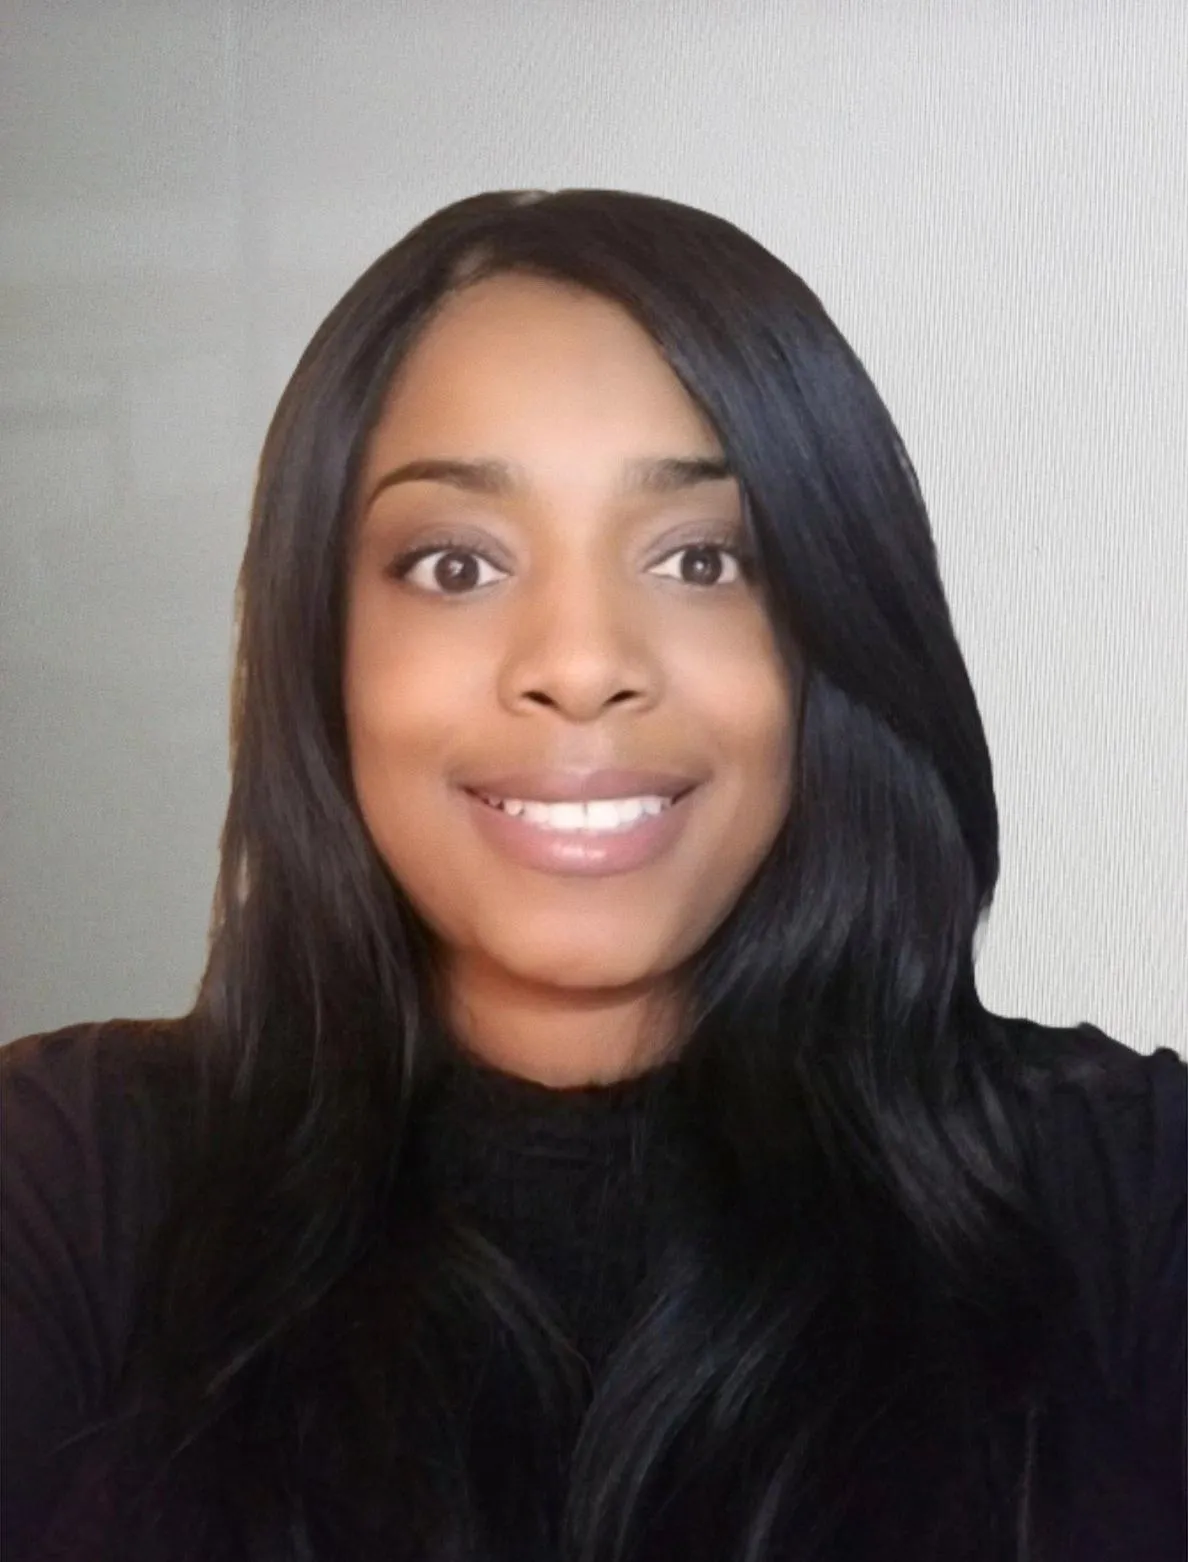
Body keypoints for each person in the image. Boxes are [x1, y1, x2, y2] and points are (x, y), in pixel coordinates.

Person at [1, 188, 1183, 1562]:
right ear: (322, 648)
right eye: (455, 564)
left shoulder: (1127, 1196)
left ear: (831, 632)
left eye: (702, 558)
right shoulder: (65, 1184)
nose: (579, 662)